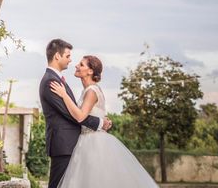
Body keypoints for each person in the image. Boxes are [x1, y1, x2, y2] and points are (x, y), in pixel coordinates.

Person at [50, 55, 159, 187]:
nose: (77, 66)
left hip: (94, 143)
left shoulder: (92, 91)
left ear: (90, 71)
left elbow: (80, 116)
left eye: (81, 64)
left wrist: (64, 95)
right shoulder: (86, 90)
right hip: (84, 141)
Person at [39, 39, 112, 188]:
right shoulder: (50, 81)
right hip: (63, 144)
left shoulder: (60, 81)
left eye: (81, 64)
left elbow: (77, 112)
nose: (71, 61)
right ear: (57, 56)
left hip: (75, 144)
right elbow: (71, 113)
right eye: (67, 56)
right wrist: (99, 122)